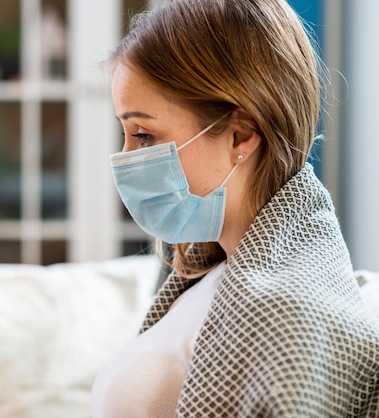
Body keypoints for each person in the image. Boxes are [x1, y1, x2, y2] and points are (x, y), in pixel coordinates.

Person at [91, 0, 379, 416]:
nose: (125, 158)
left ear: (241, 136)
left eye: (144, 135)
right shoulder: (211, 269)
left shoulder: (286, 317)